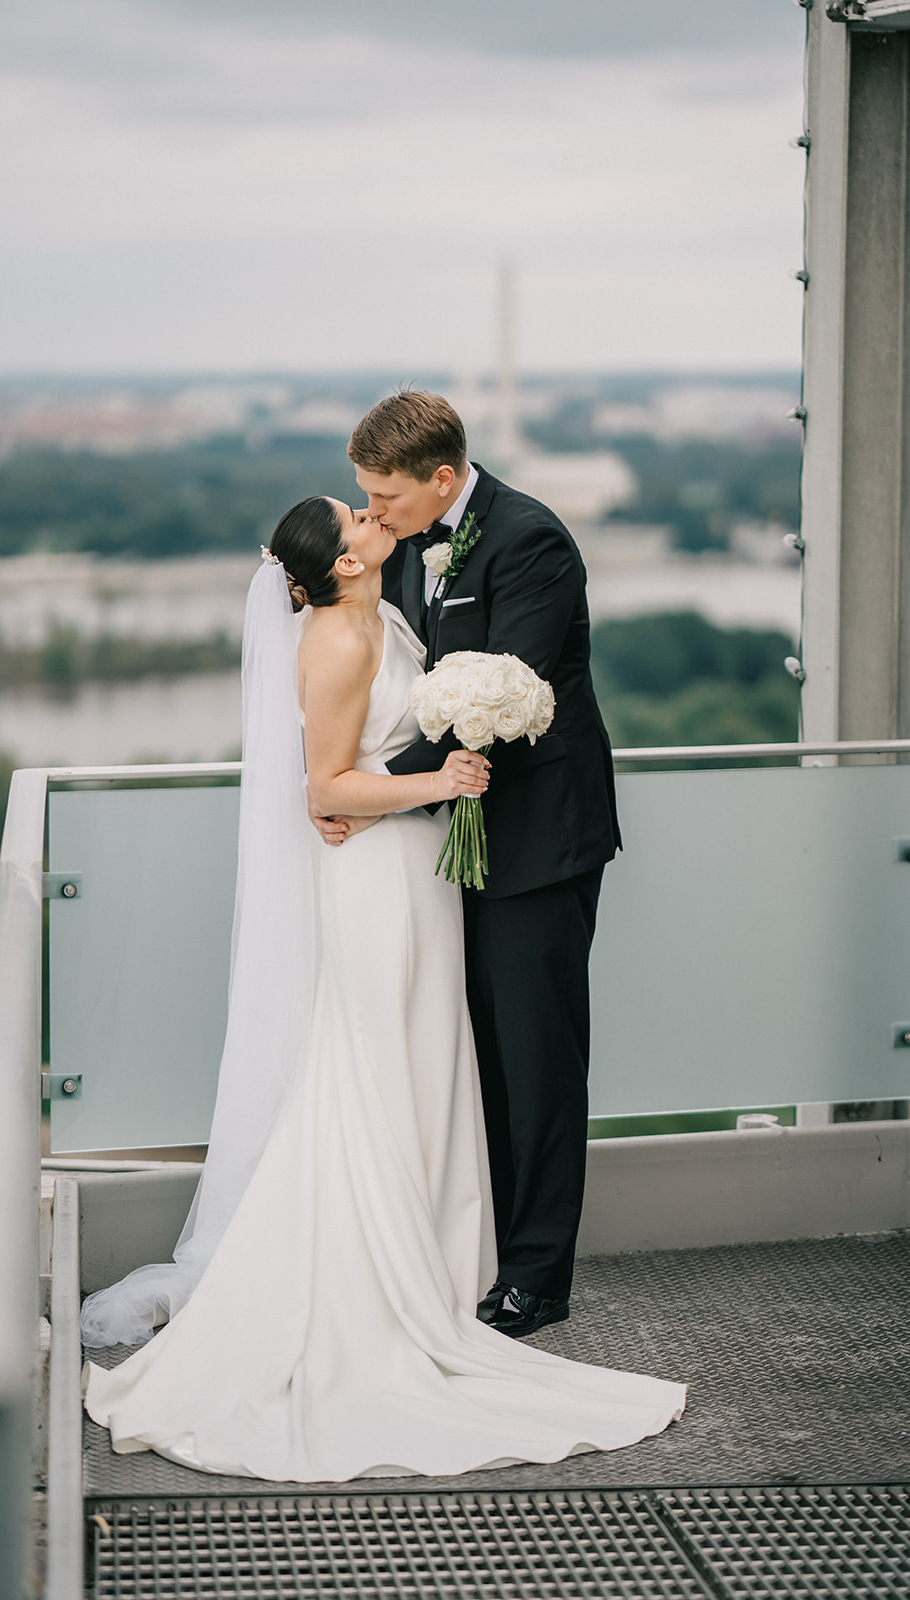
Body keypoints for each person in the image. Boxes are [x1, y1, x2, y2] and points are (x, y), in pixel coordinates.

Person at [80, 494, 683, 1482]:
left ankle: (440, 1270)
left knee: (420, 1060)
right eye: (352, 516)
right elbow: (324, 787)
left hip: (418, 878)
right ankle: (378, 1279)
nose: (368, 513)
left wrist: (444, 763)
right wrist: (438, 784)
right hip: (373, 879)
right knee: (365, 1067)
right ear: (341, 560)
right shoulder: (333, 640)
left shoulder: (383, 613)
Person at [321, 390, 620, 1340]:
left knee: (535, 1062)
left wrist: (360, 794)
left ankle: (537, 1275)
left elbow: (505, 702)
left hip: (535, 841)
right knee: (466, 1053)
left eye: (385, 494)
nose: (372, 510)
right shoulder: (404, 544)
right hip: (447, 844)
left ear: (442, 477)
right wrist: (367, 791)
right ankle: (474, 1250)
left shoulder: (530, 542)